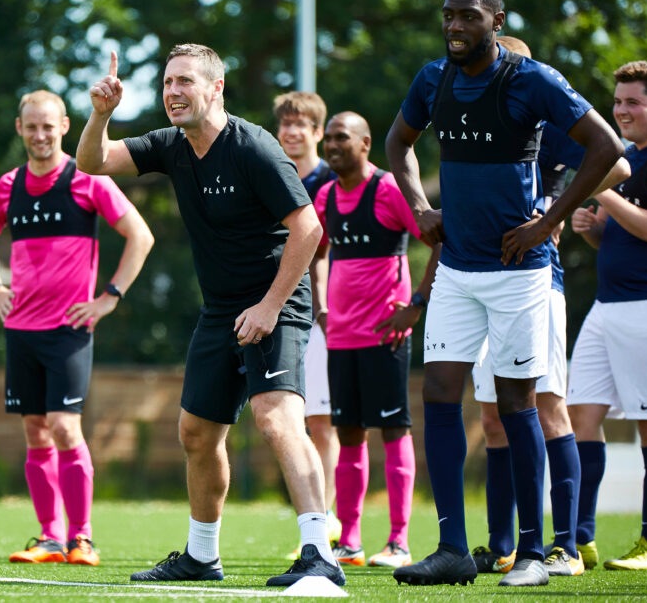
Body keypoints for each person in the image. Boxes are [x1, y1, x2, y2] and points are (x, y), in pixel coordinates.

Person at [385, 0, 624, 587]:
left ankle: (536, 554)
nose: (454, 26)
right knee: (439, 395)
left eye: (467, 16)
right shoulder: (431, 79)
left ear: (496, 19)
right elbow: (398, 142)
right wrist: (420, 207)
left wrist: (550, 220)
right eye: (448, 16)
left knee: (519, 405)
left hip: (520, 274)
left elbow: (606, 147)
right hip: (458, 271)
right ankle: (451, 550)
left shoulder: (531, 79)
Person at [78, 43, 345, 588]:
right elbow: (91, 163)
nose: (173, 92)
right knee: (197, 432)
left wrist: (270, 307)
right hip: (221, 310)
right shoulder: (169, 146)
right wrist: (100, 114)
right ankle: (202, 557)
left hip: (278, 302)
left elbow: (310, 230)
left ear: (215, 88)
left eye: (185, 82)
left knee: (276, 418)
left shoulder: (254, 148)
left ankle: (321, 556)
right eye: (167, 83)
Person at [469, 36, 631, 578]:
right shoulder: (474, 120)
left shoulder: (548, 125)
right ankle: (500, 544)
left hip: (538, 282)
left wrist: (555, 209)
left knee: (548, 405)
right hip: (479, 282)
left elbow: (618, 167)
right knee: (493, 417)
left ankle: (564, 545)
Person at [0, 89, 154, 566]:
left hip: (69, 329)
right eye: (31, 126)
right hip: (21, 331)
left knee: (65, 427)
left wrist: (108, 299)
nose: (39, 135)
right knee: (35, 429)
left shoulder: (86, 179)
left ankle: (82, 538)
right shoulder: (8, 186)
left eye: (47, 126)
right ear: (19, 129)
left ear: (64, 126)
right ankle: (50, 538)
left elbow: (140, 235)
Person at [315, 111, 440, 570]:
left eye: (340, 137)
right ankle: (348, 540)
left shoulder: (389, 189)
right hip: (340, 337)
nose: (331, 145)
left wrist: (416, 305)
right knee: (348, 432)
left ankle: (398, 542)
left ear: (365, 143)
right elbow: (318, 252)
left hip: (385, 335)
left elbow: (438, 242)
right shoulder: (325, 195)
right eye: (328, 137)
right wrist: (322, 310)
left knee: (393, 430)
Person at [568, 60, 647, 571]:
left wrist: (601, 192)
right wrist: (590, 228)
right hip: (606, 306)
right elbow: (616, 233)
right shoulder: (624, 159)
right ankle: (581, 538)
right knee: (582, 414)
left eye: (633, 102)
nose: (621, 111)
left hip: (646, 306)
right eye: (617, 102)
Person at [271, 91, 342, 553]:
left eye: (302, 125)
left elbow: (332, 249)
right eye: (286, 125)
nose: (292, 132)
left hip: (324, 313)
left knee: (322, 421)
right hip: (280, 307)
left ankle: (327, 519)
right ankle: (319, 519)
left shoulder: (331, 182)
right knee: (291, 419)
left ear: (318, 132)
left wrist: (329, 304)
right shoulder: (272, 176)